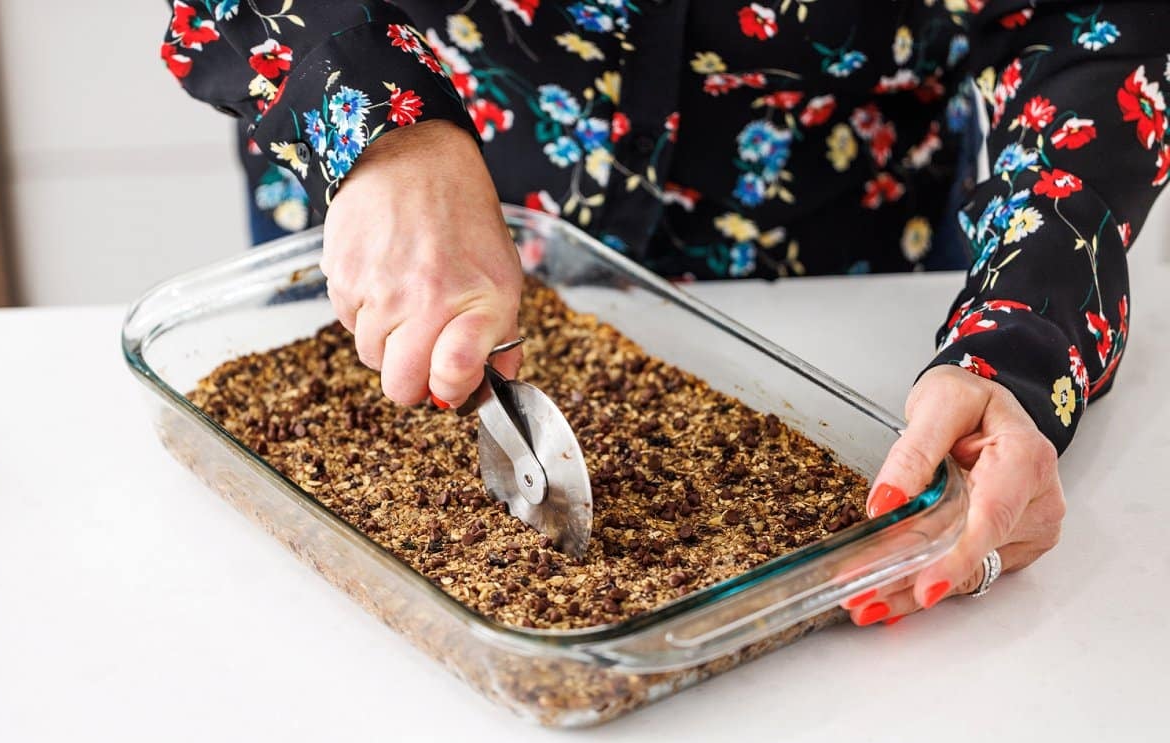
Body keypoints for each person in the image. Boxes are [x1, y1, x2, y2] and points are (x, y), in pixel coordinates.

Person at [161, 0, 1169, 625]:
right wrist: (381, 131)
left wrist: (1024, 324)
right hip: (403, 228)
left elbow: (1095, 24)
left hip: (837, 272)